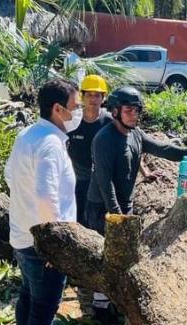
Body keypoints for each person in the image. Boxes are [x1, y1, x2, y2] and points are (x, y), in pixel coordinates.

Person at [85, 86, 187, 321]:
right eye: (129, 110)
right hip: (102, 205)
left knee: (123, 254)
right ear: (115, 111)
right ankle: (100, 307)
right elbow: (104, 181)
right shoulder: (104, 140)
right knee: (106, 254)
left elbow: (162, 149)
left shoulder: (136, 134)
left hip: (124, 204)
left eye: (137, 111)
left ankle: (115, 298)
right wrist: (117, 215)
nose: (134, 115)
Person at [4, 78, 81, 325]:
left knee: (28, 297)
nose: (77, 112)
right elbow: (46, 195)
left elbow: (10, 176)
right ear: (57, 109)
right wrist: (54, 244)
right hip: (43, 243)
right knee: (44, 309)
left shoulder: (28, 133)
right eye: (73, 107)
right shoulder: (50, 143)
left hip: (22, 234)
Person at [67, 74, 112, 312]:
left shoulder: (107, 122)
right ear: (82, 97)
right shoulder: (72, 122)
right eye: (89, 94)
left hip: (100, 183)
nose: (93, 99)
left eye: (97, 95)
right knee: (77, 224)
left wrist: (145, 172)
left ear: (103, 98)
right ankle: (76, 273)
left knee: (98, 228)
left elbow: (125, 144)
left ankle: (96, 277)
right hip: (76, 180)